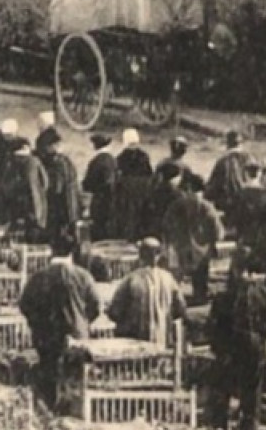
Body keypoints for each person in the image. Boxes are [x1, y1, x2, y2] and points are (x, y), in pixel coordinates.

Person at [18, 236, 102, 411]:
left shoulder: (39, 276)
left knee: (49, 377)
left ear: (52, 250)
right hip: (77, 337)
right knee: (77, 381)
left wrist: (37, 324)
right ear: (72, 252)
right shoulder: (83, 276)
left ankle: (51, 413)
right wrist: (83, 323)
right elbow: (96, 306)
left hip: (46, 337)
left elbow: (25, 304)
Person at [207, 254, 266, 430]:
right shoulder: (262, 293)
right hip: (255, 345)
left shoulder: (223, 297)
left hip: (230, 346)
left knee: (224, 386)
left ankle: (221, 424)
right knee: (252, 388)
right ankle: (248, 429)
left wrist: (217, 347)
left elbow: (214, 326)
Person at [107, 238, 186, 346]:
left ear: (140, 256)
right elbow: (180, 308)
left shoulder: (131, 279)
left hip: (135, 343)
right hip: (161, 341)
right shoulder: (169, 279)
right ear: (158, 256)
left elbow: (114, 311)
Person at [164, 175, 224, 305]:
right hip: (202, 250)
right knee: (200, 280)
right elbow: (218, 232)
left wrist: (170, 243)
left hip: (181, 247)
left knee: (176, 278)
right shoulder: (207, 207)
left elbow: (167, 226)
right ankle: (199, 299)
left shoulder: (176, 205)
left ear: (188, 189)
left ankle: (175, 301)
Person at [206, 131, 257, 222]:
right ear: (240, 144)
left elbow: (211, 189)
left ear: (228, 144)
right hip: (250, 203)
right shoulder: (250, 158)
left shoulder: (222, 161)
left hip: (230, 205)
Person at [81, 133, 118, 241]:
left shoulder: (96, 162)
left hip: (100, 201)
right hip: (114, 200)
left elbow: (88, 184)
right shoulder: (113, 160)